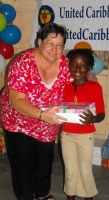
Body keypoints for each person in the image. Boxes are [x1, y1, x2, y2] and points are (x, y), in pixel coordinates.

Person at [0, 22, 73, 200]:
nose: (55, 49)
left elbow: (72, 91)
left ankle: (42, 193)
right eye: (50, 43)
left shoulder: (64, 64)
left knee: (44, 160)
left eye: (59, 45)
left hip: (48, 124)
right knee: (23, 163)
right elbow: (15, 100)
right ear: (39, 42)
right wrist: (42, 115)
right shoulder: (23, 63)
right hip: (19, 122)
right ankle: (25, 196)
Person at [61, 49, 105, 200]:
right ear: (69, 66)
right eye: (74, 64)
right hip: (66, 135)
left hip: (85, 137)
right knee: (70, 170)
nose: (78, 69)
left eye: (82, 65)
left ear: (89, 67)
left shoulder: (94, 87)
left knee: (85, 170)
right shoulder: (64, 86)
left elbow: (101, 114)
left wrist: (92, 119)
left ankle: (89, 198)